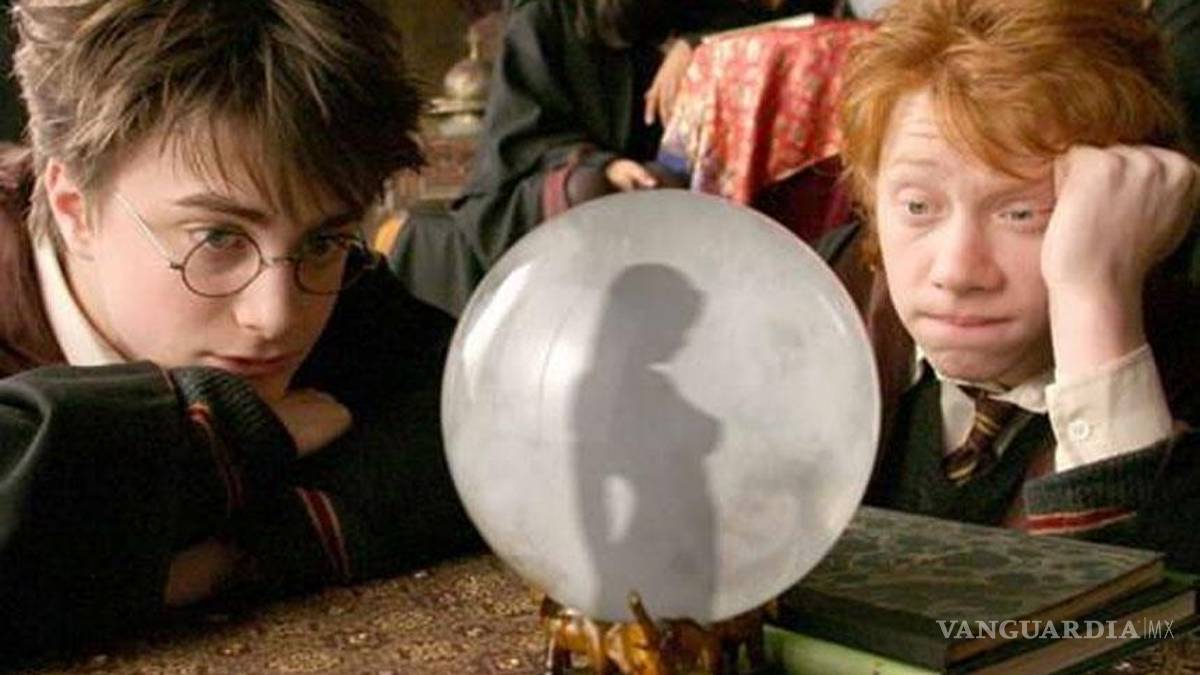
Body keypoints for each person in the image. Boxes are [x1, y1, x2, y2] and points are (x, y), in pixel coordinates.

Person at [0, 0, 480, 656]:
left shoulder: (333, 282)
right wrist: (222, 436)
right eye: (218, 237)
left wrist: (231, 557)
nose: (276, 317)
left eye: (323, 240)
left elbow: (478, 416)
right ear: (74, 208)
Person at [824, 0, 1200, 569]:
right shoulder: (826, 297)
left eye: (1021, 213)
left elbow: (1147, 618)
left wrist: (1094, 301)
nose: (957, 272)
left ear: (1129, 205)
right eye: (919, 206)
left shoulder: (1184, 360)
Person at [390, 0, 834, 316]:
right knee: (591, 191)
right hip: (540, 179)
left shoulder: (671, 10)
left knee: (678, 194)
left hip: (650, 171)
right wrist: (604, 164)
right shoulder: (543, 16)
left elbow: (769, 17)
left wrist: (692, 44)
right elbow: (522, 138)